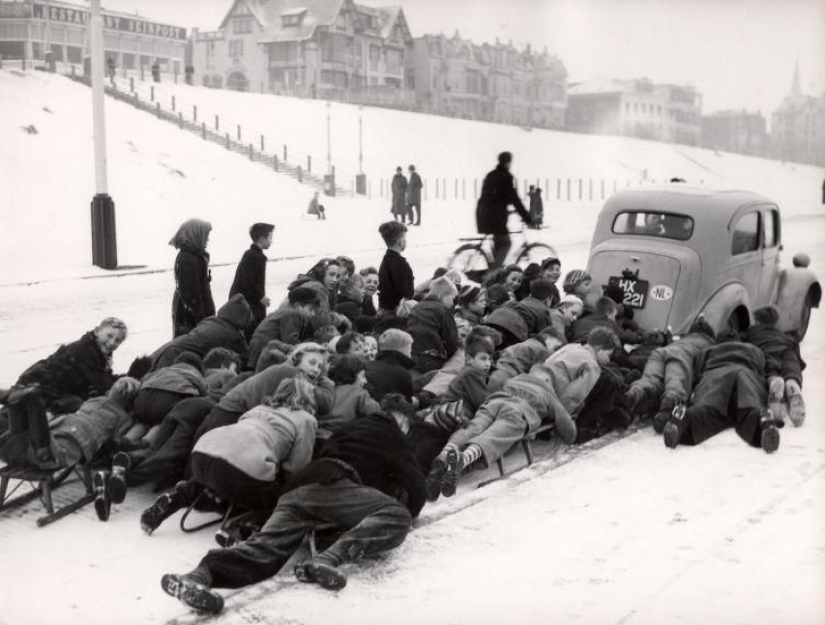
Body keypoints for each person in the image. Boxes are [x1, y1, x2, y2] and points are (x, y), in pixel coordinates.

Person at [159, 396, 426, 615]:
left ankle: (198, 576)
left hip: (297, 490)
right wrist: (409, 510)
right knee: (396, 515)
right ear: (402, 420)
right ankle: (327, 559)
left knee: (264, 550)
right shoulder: (394, 434)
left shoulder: (350, 427)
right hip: (336, 484)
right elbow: (417, 487)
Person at [139, 377, 319, 536]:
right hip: (244, 466)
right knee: (280, 501)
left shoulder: (259, 408)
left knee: (216, 476)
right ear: (309, 397)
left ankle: (175, 499)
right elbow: (296, 467)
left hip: (204, 451)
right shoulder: (306, 419)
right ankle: (241, 527)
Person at [662, 333, 782, 453]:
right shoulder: (754, 349)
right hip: (745, 374)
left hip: (716, 376)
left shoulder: (707, 351)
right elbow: (761, 370)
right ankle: (762, 420)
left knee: (707, 411)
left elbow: (697, 372)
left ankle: (684, 419)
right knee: (749, 410)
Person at [0, 377, 140, 472]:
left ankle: (16, 400)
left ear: (110, 391)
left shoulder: (95, 400)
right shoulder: (124, 418)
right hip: (63, 443)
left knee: (22, 432)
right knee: (46, 451)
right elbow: (116, 442)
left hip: (22, 445)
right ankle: (30, 399)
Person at [3, 317, 128, 418]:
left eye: (117, 341)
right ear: (96, 331)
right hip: (41, 382)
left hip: (51, 385)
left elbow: (103, 375)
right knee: (72, 405)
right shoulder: (85, 349)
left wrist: (124, 378)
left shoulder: (100, 352)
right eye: (109, 336)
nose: (112, 342)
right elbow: (101, 382)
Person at [624, 316, 715, 432]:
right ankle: (667, 410)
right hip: (682, 355)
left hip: (660, 352)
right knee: (675, 384)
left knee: (649, 379)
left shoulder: (682, 339)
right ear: (710, 335)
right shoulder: (710, 345)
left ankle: (634, 393)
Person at [150, 294, 252, 372]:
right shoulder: (232, 335)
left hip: (165, 350)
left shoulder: (211, 320)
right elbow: (248, 362)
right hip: (173, 360)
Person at [743, 306, 806, 426]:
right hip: (787, 350)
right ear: (775, 322)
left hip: (766, 350)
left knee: (769, 369)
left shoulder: (751, 332)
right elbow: (796, 349)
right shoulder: (784, 335)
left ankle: (773, 381)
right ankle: (792, 383)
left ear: (757, 321)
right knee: (791, 368)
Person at [476, 151, 532, 270]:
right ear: (508, 162)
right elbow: (514, 199)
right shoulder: (506, 177)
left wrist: (508, 210)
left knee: (499, 244)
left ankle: (494, 271)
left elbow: (496, 196)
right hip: (494, 217)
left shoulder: (491, 174)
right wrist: (527, 217)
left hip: (483, 213)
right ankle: (493, 274)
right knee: (506, 243)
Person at [248, 287, 320, 370]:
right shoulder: (292, 314)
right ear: (297, 305)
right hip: (264, 349)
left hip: (258, 347)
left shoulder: (284, 311)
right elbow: (290, 340)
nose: (313, 314)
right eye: (310, 309)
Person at [318, 354, 381, 440]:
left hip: (315, 436)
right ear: (352, 375)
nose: (365, 381)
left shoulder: (323, 389)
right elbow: (376, 413)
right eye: (362, 376)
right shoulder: (359, 393)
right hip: (340, 439)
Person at [229, 223, 275, 341]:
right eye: (270, 238)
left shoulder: (252, 254)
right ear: (262, 239)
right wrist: (261, 297)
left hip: (247, 301)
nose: (272, 241)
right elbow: (247, 281)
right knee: (253, 332)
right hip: (248, 303)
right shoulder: (255, 256)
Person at [170, 219, 215, 337]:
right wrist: (202, 323)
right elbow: (192, 296)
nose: (208, 239)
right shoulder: (188, 259)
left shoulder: (195, 256)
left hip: (192, 314)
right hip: (190, 317)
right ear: (196, 235)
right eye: (205, 236)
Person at [407, 277, 460, 374]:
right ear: (444, 296)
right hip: (432, 361)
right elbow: (452, 341)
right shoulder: (443, 310)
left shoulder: (416, 307)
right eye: (452, 298)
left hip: (411, 357)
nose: (452, 303)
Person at [376, 222, 414, 331]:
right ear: (399, 241)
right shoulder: (399, 264)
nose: (405, 241)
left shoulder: (387, 260)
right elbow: (406, 293)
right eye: (404, 238)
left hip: (386, 309)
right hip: (395, 313)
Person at [364, 329, 415, 401]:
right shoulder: (403, 375)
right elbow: (406, 406)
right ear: (403, 350)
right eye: (409, 350)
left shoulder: (365, 366)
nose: (410, 354)